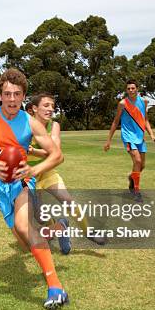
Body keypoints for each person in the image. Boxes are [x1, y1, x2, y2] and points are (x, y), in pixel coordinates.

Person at [0, 68, 68, 310]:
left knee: (25, 226)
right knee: (25, 243)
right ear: (0, 95)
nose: (12, 99)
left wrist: (33, 170)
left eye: (17, 94)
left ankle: (55, 287)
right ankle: (59, 227)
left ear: (24, 97)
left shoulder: (31, 123)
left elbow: (57, 155)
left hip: (22, 182)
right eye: (7, 94)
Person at [28, 93, 106, 249]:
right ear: (34, 108)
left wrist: (32, 150)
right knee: (40, 216)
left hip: (47, 171)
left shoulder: (54, 125)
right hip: (30, 176)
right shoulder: (25, 125)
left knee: (68, 200)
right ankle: (60, 228)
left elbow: (56, 152)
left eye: (52, 106)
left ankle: (89, 232)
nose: (50, 109)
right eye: (46, 105)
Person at [103, 80, 155, 202]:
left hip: (140, 137)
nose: (131, 90)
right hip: (128, 136)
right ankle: (136, 192)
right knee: (137, 160)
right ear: (126, 90)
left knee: (142, 165)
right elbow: (115, 122)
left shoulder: (143, 102)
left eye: (133, 88)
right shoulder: (122, 103)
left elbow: (146, 120)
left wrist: (152, 134)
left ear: (137, 89)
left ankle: (132, 177)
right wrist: (108, 141)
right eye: (128, 89)